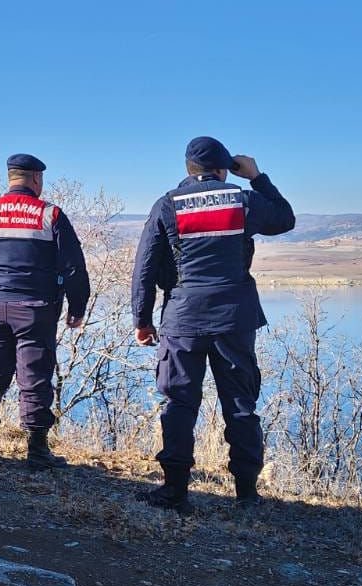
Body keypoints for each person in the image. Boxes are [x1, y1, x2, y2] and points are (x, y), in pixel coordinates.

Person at [131, 137, 295, 509]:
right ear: (223, 170)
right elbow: (285, 219)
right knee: (239, 403)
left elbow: (144, 268)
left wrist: (142, 319)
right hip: (234, 318)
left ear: (189, 169)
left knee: (179, 402)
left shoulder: (167, 204)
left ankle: (174, 489)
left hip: (183, 318)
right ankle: (247, 492)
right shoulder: (242, 199)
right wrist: (257, 177)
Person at [0, 154, 90, 470]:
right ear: (35, 179)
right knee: (34, 376)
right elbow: (74, 267)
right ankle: (38, 450)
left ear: (10, 178)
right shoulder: (50, 214)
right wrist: (77, 307)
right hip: (34, 309)